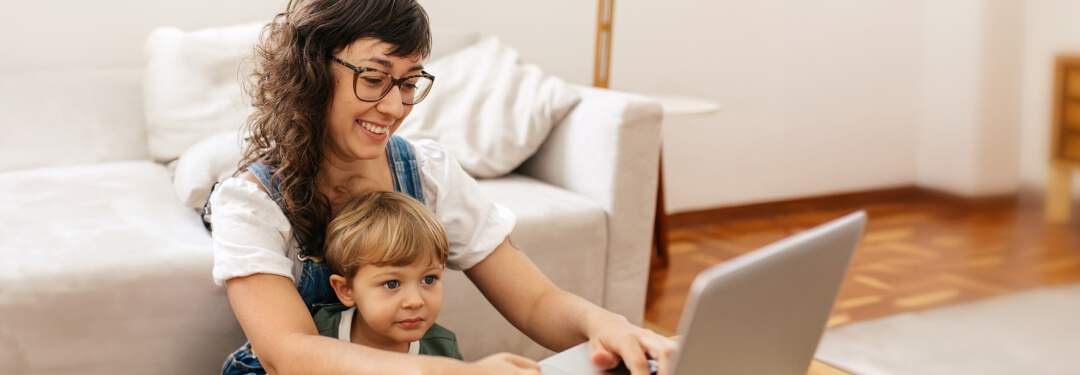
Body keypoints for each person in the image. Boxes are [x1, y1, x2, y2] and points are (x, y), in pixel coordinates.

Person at [209, 0, 675, 374]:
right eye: (374, 78)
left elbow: (535, 301)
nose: (394, 107)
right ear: (311, 70)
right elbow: (287, 354)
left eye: (409, 83)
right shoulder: (251, 202)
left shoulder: (427, 172)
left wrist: (607, 325)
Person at [315, 191, 461, 360]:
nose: (414, 301)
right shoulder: (318, 336)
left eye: (428, 279)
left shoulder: (444, 349)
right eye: (392, 284)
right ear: (346, 290)